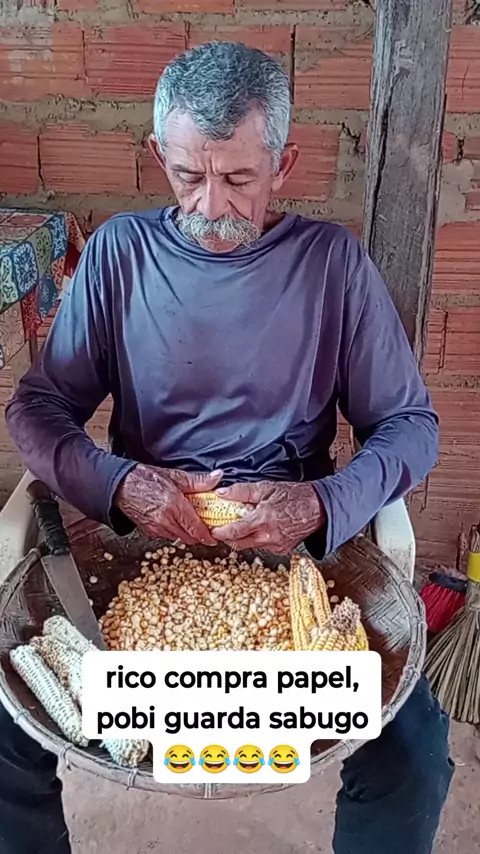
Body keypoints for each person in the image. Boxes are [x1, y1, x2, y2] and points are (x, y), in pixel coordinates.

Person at [3, 41, 453, 854]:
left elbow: (411, 426)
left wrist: (322, 503)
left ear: (284, 163)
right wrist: (119, 484)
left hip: (298, 557)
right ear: (158, 157)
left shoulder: (331, 266)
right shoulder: (120, 255)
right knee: (4, 727)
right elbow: (39, 408)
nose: (211, 204)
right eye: (188, 175)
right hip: (138, 550)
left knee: (415, 750)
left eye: (239, 178)